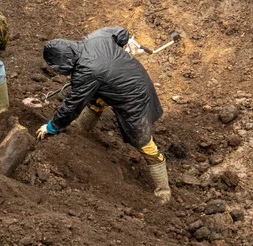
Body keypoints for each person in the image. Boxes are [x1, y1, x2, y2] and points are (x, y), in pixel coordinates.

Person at [36, 26, 171, 203]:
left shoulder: (86, 72)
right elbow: (120, 32)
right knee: (96, 98)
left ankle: (163, 193)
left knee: (142, 141)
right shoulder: (95, 38)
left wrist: (52, 127)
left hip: (135, 98)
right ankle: (81, 130)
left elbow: (72, 105)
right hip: (129, 78)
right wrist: (126, 43)